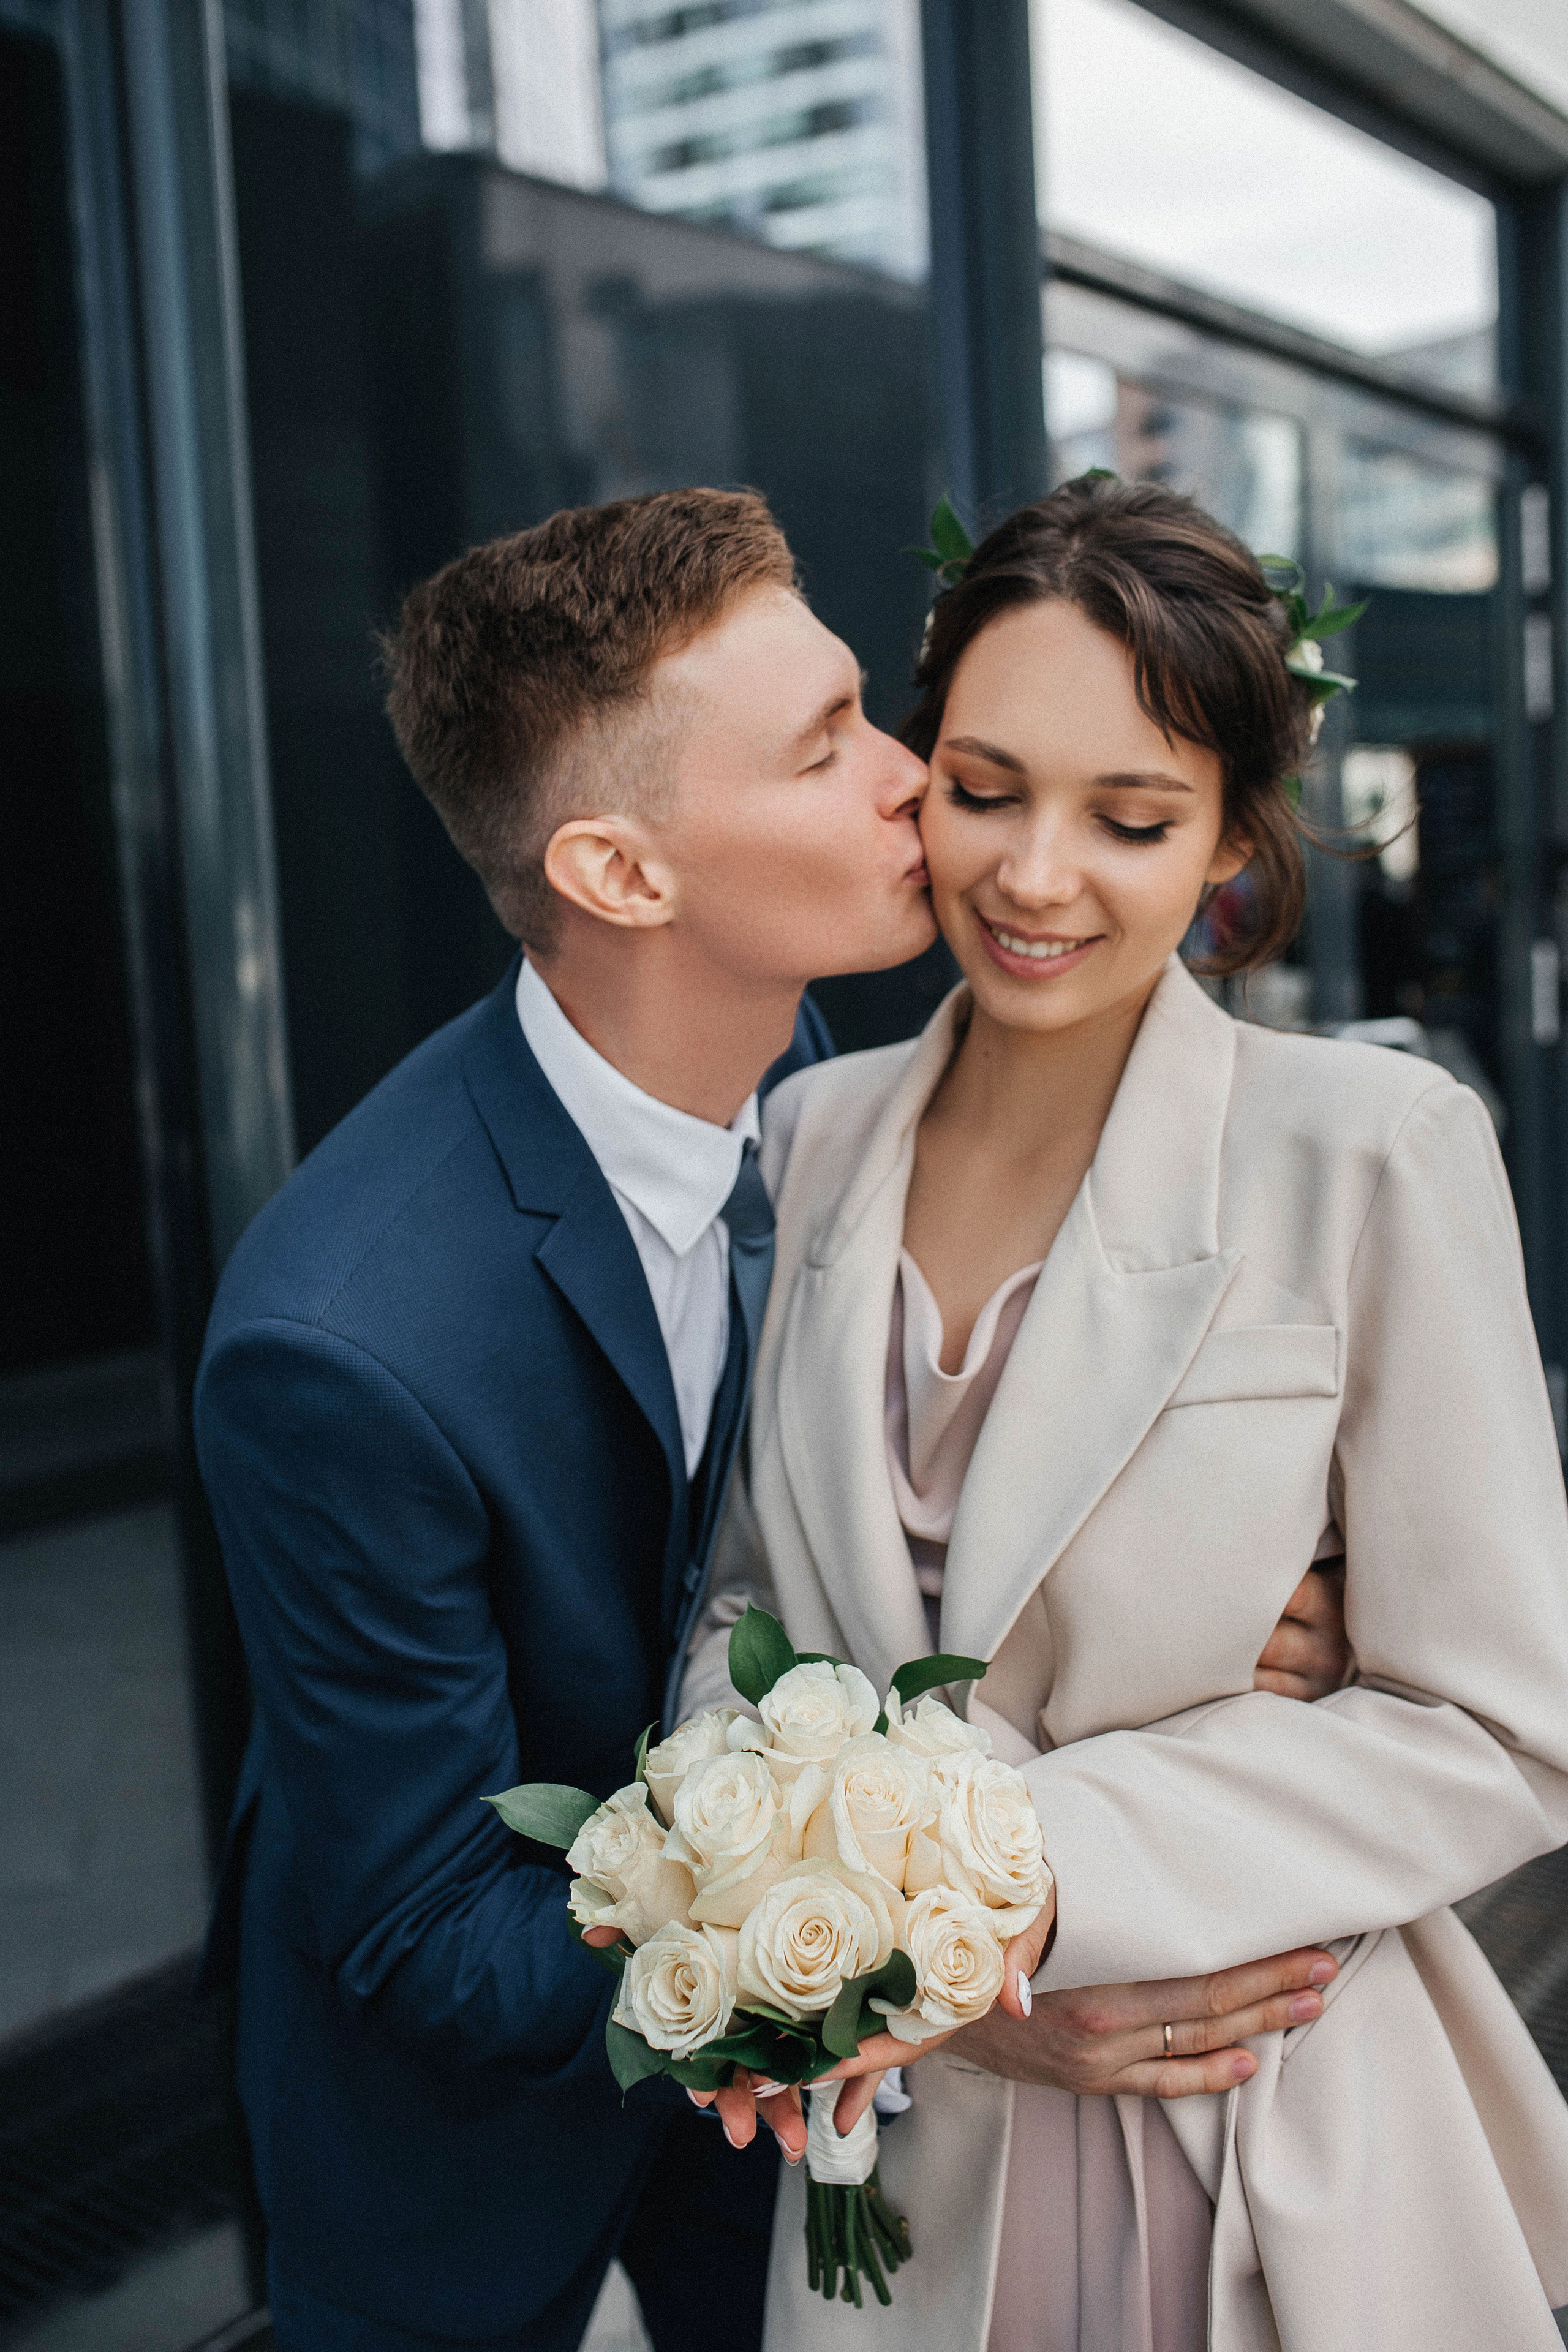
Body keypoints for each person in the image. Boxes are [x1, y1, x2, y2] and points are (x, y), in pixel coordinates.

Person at [194, 487, 1351, 2352]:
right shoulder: (341, 1347)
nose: (917, 779)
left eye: (868, 713)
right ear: (624, 877)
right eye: (830, 751)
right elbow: (426, 1932)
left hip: (812, 2157)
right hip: (470, 2129)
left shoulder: (826, 1076)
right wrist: (932, 1980)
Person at [687, 477, 1568, 2351]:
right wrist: (798, 1922)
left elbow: (1507, 1720)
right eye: (988, 788)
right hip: (909, 2154)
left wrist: (1027, 1875)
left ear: (1235, 838)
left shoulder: (1373, 1153)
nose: (1032, 875)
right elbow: (747, 1618)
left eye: (1134, 817)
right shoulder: (806, 1140)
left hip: (1251, 2115)